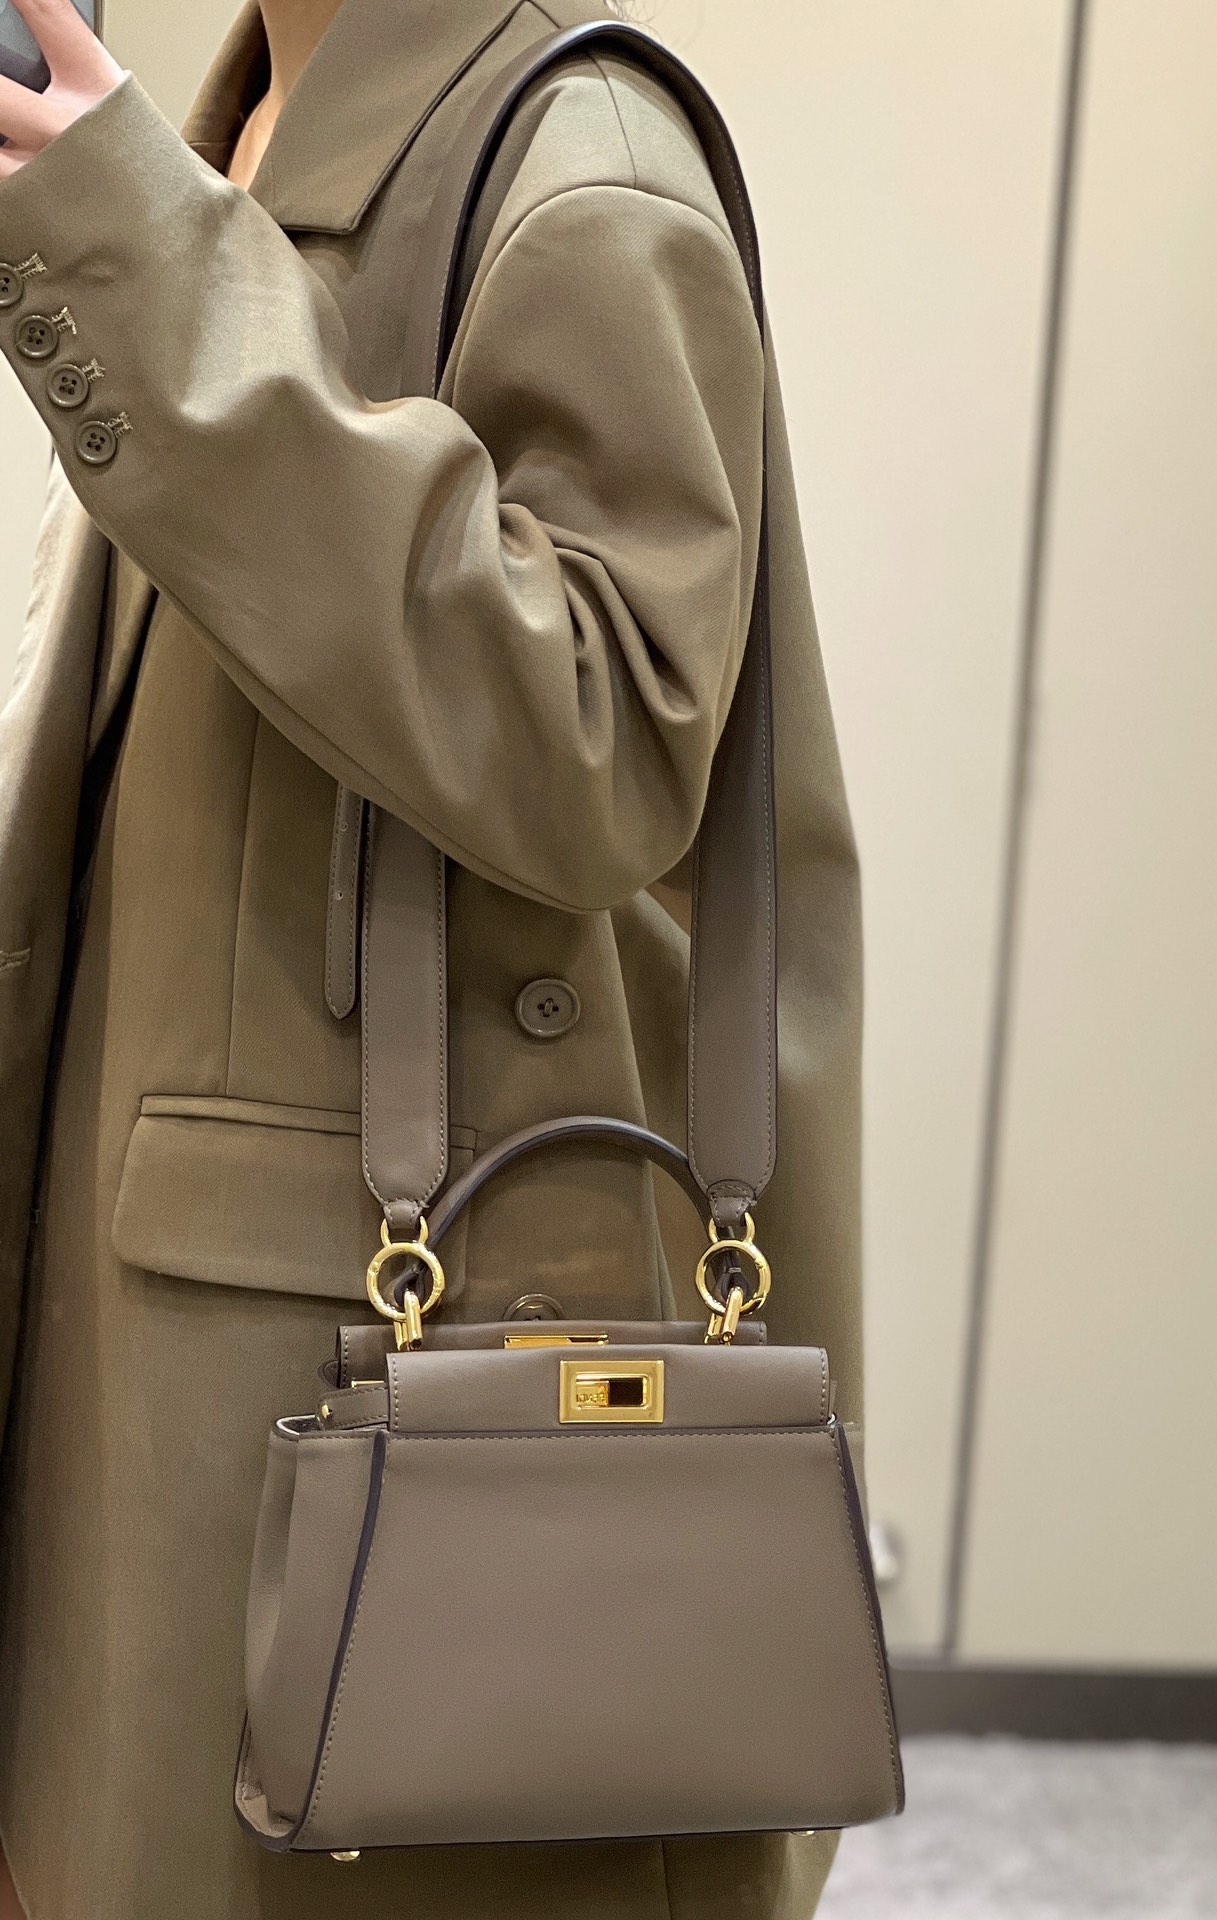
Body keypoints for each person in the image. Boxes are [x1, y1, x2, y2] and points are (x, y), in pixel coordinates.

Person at [0, 0, 865, 1913]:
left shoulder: (582, 174)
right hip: (144, 1356)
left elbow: (599, 747)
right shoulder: (232, 128)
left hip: (322, 1398)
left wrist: (136, 260)